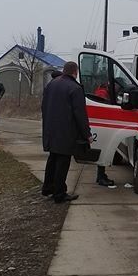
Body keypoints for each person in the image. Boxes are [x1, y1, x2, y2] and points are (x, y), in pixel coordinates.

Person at [41, 61, 91, 203]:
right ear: (75, 72)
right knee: (63, 162)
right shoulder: (75, 88)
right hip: (66, 131)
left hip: (51, 128)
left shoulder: (51, 84)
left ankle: (48, 188)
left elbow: (43, 106)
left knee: (52, 159)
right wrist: (87, 134)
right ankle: (59, 193)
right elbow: (80, 114)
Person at [92, 82, 117, 187]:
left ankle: (101, 176)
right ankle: (101, 177)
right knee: (103, 151)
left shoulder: (99, 91)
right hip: (102, 125)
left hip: (99, 125)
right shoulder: (102, 93)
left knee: (102, 151)